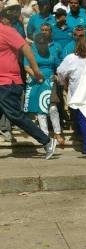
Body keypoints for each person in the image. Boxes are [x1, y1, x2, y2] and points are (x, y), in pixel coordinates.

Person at [0, 19, 56, 158]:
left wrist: (36, 70)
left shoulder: (6, 30)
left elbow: (25, 47)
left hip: (7, 82)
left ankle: (47, 141)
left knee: (15, 116)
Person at [24, 32, 63, 144]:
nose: (42, 45)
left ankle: (57, 132)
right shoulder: (31, 52)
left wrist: (57, 75)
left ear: (47, 43)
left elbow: (59, 67)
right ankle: (45, 136)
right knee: (41, 110)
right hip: (36, 82)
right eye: (39, 43)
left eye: (44, 43)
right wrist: (36, 76)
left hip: (50, 82)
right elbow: (26, 66)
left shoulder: (52, 53)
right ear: (36, 43)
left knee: (53, 108)